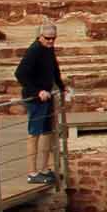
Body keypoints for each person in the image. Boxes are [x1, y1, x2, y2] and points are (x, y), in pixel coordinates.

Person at [14, 21, 66, 184]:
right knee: (34, 134)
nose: (51, 41)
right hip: (35, 98)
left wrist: (62, 87)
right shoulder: (34, 50)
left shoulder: (48, 50)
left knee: (47, 132)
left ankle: (43, 168)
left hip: (47, 97)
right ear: (40, 37)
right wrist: (37, 91)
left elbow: (54, 69)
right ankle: (32, 172)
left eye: (53, 38)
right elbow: (20, 74)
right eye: (48, 38)